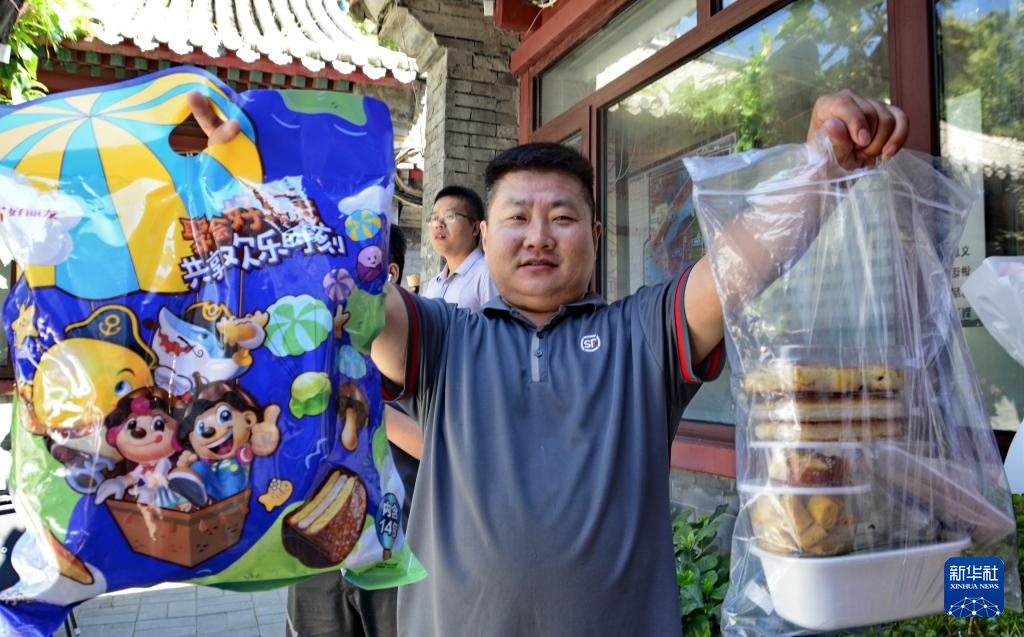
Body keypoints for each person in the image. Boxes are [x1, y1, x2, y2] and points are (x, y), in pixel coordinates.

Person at [188, 89, 908, 636]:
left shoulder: (644, 336)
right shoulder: (443, 338)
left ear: (594, 235)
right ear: (484, 236)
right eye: (516, 217)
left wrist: (822, 166)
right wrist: (261, 174)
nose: (538, 236)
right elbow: (349, 283)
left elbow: (740, 266)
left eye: (562, 217)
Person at [285, 225, 420, 637]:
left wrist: (364, 411)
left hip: (392, 543)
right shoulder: (307, 341)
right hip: (318, 543)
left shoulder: (420, 335)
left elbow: (434, 445)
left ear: (389, 273)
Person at [421, 186, 496, 310]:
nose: (438, 224)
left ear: (475, 228)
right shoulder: (433, 284)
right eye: (434, 218)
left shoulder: (488, 275)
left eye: (449, 216)